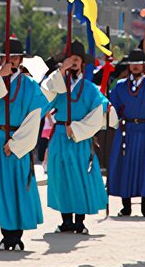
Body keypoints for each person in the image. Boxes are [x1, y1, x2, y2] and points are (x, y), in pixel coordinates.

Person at [0, 36, 50, 250]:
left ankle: (16, 236)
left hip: (18, 138)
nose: (12, 61)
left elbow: (35, 116)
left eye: (16, 57)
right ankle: (5, 234)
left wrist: (16, 144)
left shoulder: (30, 85)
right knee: (0, 186)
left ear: (21, 60)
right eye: (8, 57)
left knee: (18, 186)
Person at [42, 41, 109, 235]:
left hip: (79, 137)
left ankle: (79, 221)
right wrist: (60, 73)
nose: (73, 63)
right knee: (61, 176)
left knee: (80, 177)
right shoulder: (57, 85)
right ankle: (65, 220)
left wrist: (79, 129)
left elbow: (101, 109)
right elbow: (44, 97)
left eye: (77, 60)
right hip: (60, 134)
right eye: (70, 59)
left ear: (82, 64)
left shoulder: (90, 88)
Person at [106, 47, 145, 217]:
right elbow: (113, 109)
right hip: (126, 131)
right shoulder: (120, 86)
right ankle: (126, 207)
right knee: (125, 166)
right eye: (133, 63)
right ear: (129, 65)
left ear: (143, 65)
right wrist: (107, 110)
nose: (136, 66)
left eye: (139, 63)